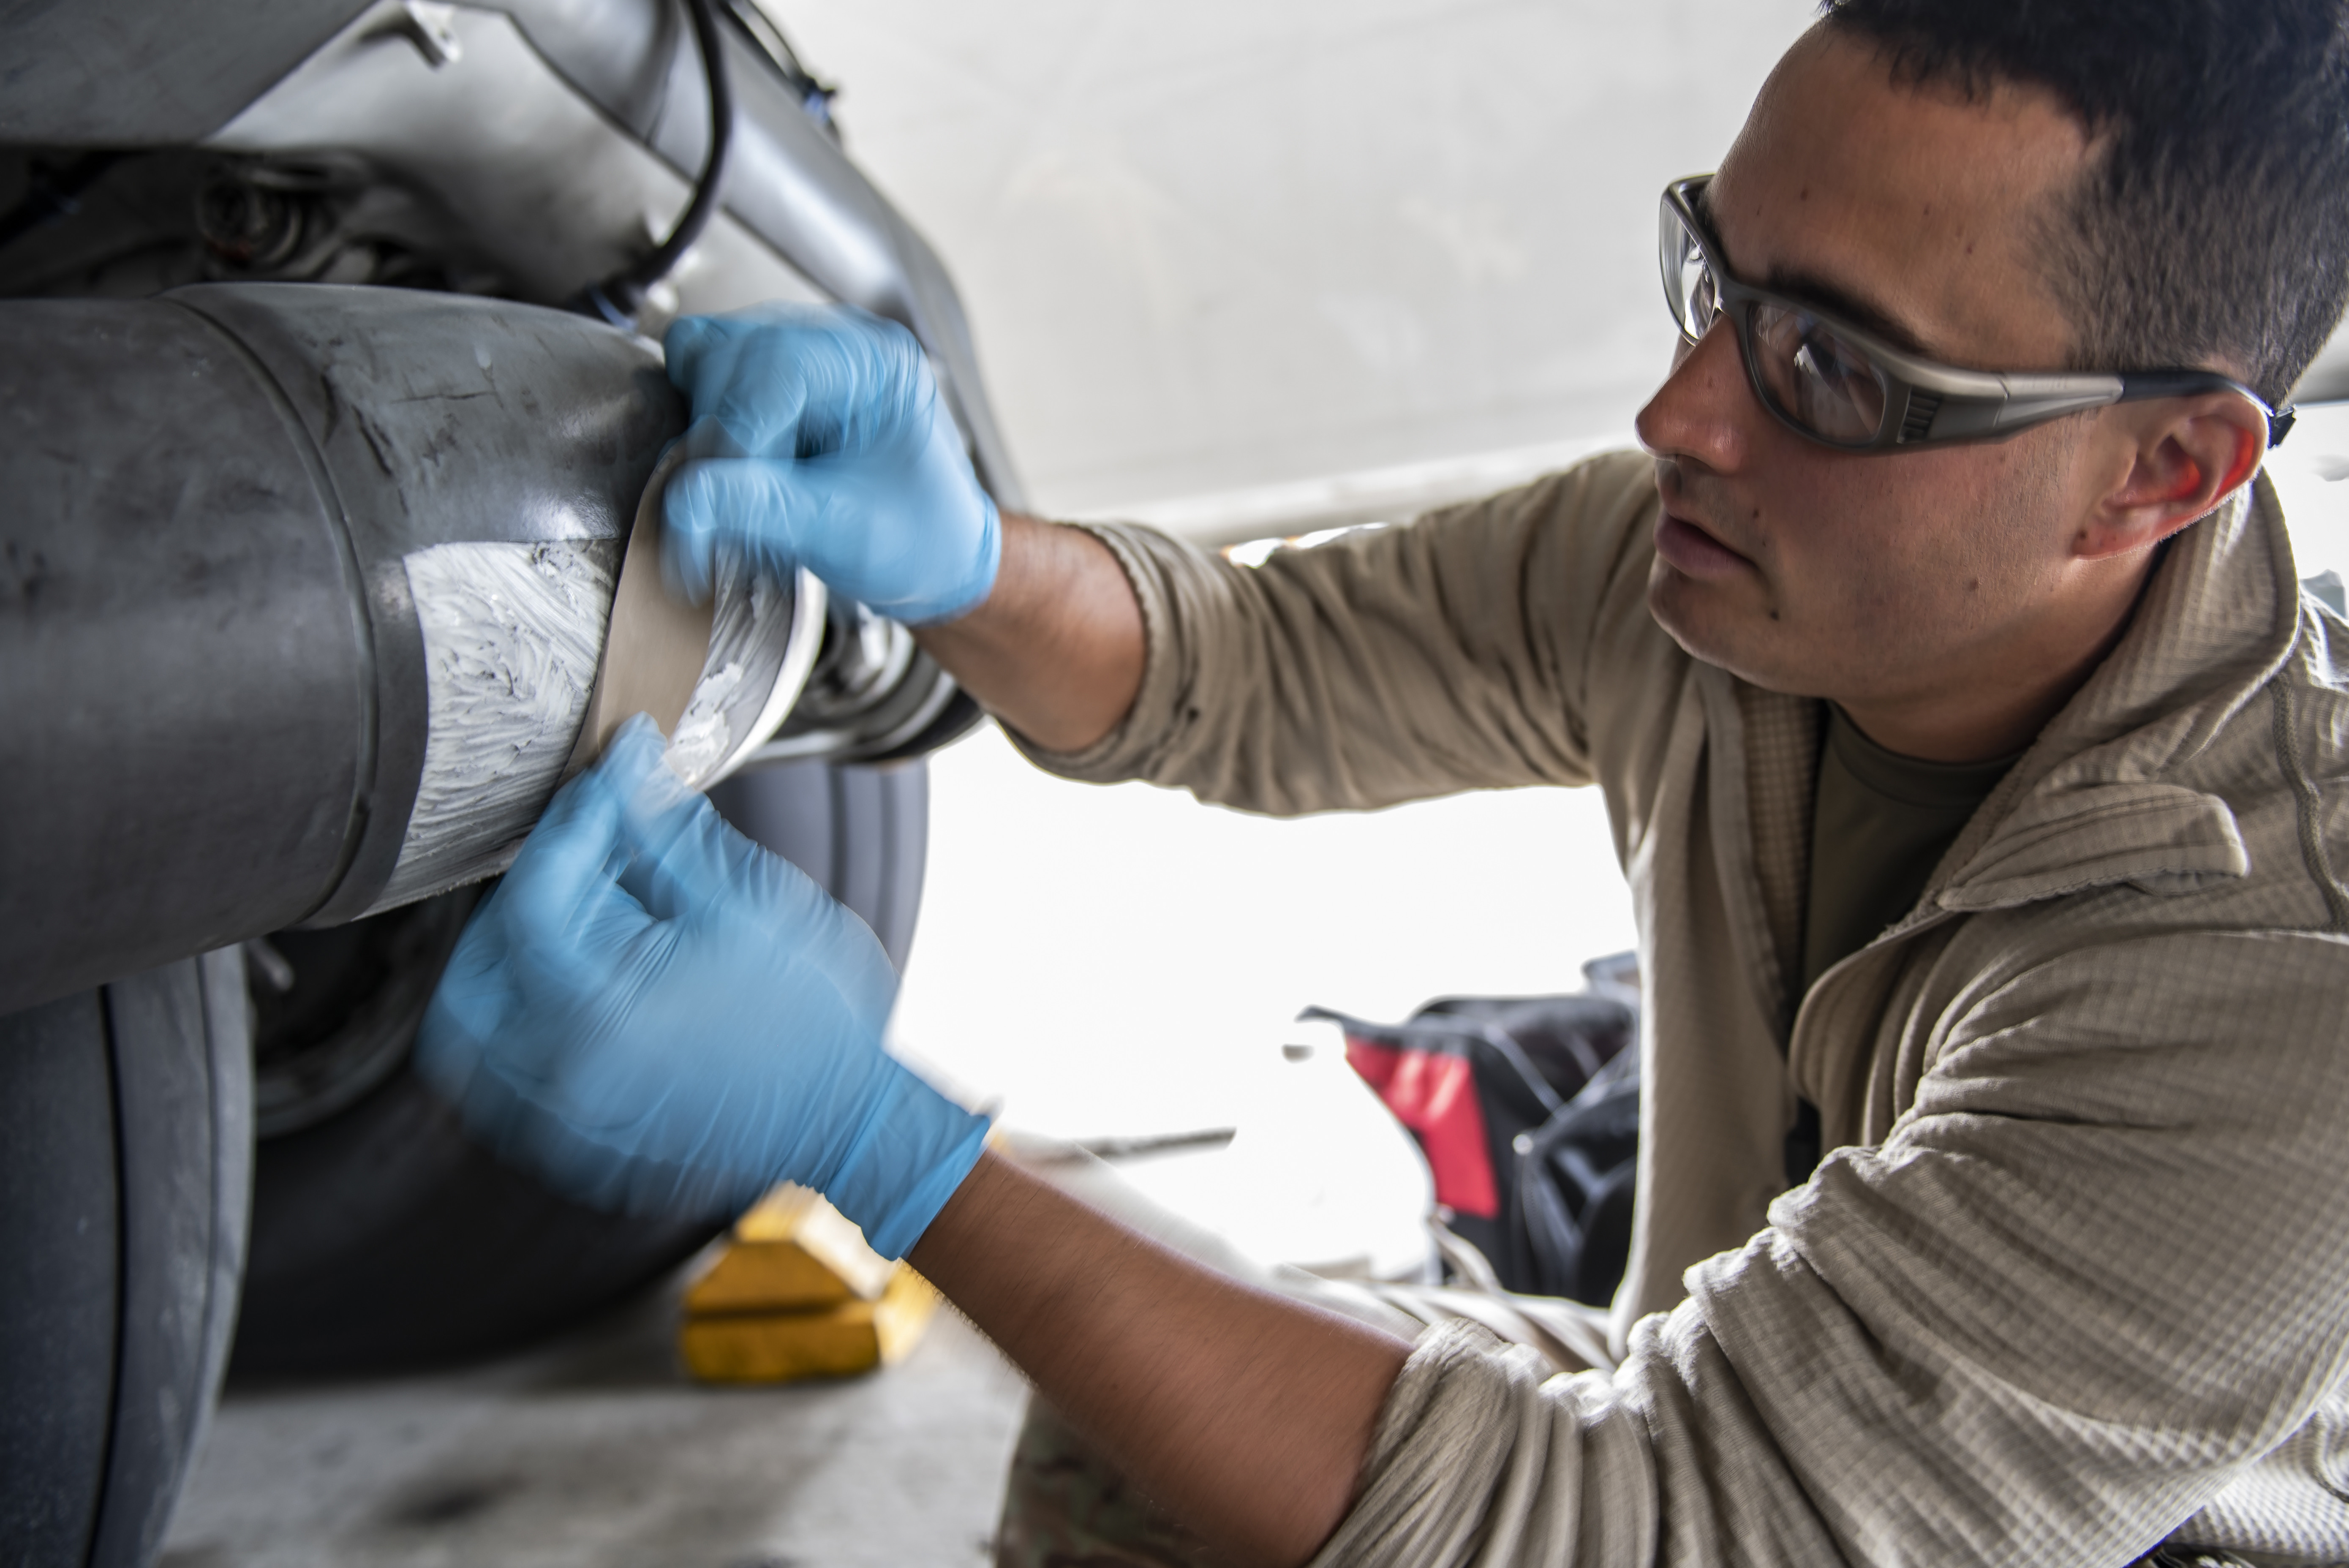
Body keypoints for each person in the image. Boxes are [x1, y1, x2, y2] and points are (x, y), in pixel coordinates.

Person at [416, 2, 2349, 1563]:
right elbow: (1258, 669)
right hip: (1757, 1434)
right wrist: (971, 563)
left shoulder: (2285, 975)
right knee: (1148, 1452)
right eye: (1718, 278)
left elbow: (1689, 1523)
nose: (1683, 417)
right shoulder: (1733, 577)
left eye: (1836, 370)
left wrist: (884, 1144)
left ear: (2163, 471)